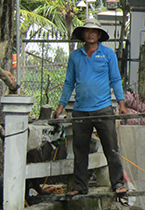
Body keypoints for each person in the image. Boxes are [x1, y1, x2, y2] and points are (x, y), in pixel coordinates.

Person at [53, 18, 127, 196]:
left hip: (103, 108)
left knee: (111, 148)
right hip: (80, 109)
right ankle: (80, 186)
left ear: (99, 34)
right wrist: (61, 105)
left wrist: (122, 103)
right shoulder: (75, 56)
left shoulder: (108, 54)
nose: (91, 34)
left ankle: (117, 184)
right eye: (87, 31)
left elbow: (115, 79)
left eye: (94, 31)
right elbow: (69, 82)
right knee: (80, 150)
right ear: (83, 34)